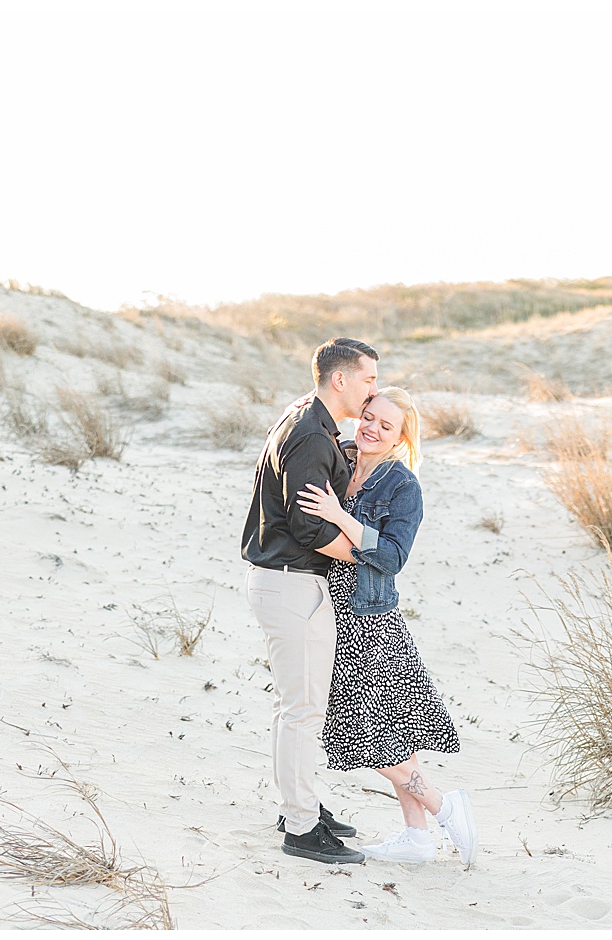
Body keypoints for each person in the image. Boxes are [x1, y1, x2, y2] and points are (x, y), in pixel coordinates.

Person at [295, 387, 478, 867]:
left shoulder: (403, 486)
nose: (371, 429)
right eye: (369, 417)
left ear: (401, 437)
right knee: (394, 736)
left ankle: (444, 808)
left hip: (369, 621)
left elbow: (393, 558)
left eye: (385, 425)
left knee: (376, 743)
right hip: (330, 609)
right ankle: (416, 838)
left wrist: (340, 517)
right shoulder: (342, 459)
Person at [242, 337, 380, 864]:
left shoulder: (305, 419)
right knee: (302, 712)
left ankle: (296, 804)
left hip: (280, 581)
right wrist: (363, 555)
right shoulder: (310, 436)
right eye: (368, 379)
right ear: (340, 380)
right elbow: (306, 525)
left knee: (291, 708)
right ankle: (300, 828)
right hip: (293, 583)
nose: (373, 391)